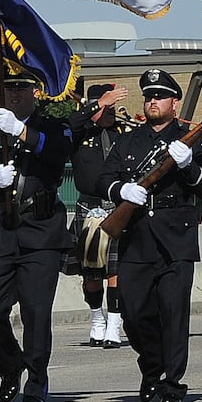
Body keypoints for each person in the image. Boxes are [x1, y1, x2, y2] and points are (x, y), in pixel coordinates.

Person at [0, 65, 74, 402]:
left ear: (36, 92)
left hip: (40, 232)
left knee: (36, 312)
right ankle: (10, 367)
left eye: (22, 88)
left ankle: (37, 382)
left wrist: (22, 133)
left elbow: (56, 155)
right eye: (9, 89)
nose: (14, 94)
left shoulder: (54, 127)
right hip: (0, 230)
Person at [102, 69, 202, 402]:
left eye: (160, 96)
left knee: (173, 313)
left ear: (174, 102)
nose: (153, 101)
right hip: (136, 237)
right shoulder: (128, 140)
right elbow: (102, 178)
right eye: (149, 96)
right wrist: (120, 189)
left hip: (176, 239)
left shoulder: (190, 139)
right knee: (135, 315)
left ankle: (172, 382)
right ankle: (151, 365)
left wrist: (189, 167)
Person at [69, 83, 132, 347]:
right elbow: (71, 122)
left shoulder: (125, 133)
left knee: (116, 272)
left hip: (117, 207)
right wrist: (95, 105)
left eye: (112, 107)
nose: (109, 112)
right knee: (91, 274)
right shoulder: (77, 132)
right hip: (89, 207)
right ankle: (97, 318)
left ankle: (115, 325)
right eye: (105, 107)